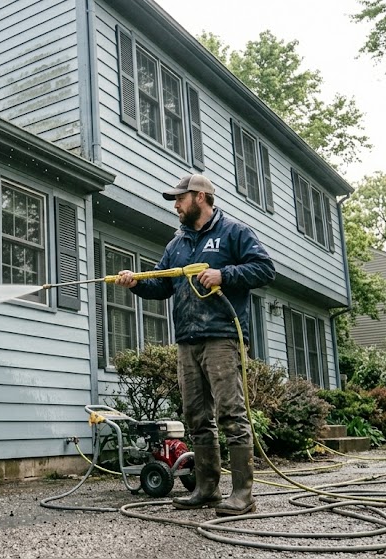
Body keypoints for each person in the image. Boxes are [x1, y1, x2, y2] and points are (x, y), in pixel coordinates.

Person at [115, 174, 275, 516]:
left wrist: (225, 275)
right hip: (187, 340)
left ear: (201, 197)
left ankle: (243, 494)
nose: (175, 205)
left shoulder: (234, 232)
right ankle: (206, 488)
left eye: (180, 198)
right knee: (196, 418)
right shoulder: (177, 244)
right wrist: (134, 284)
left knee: (231, 414)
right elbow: (161, 285)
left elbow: (264, 269)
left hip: (222, 337)